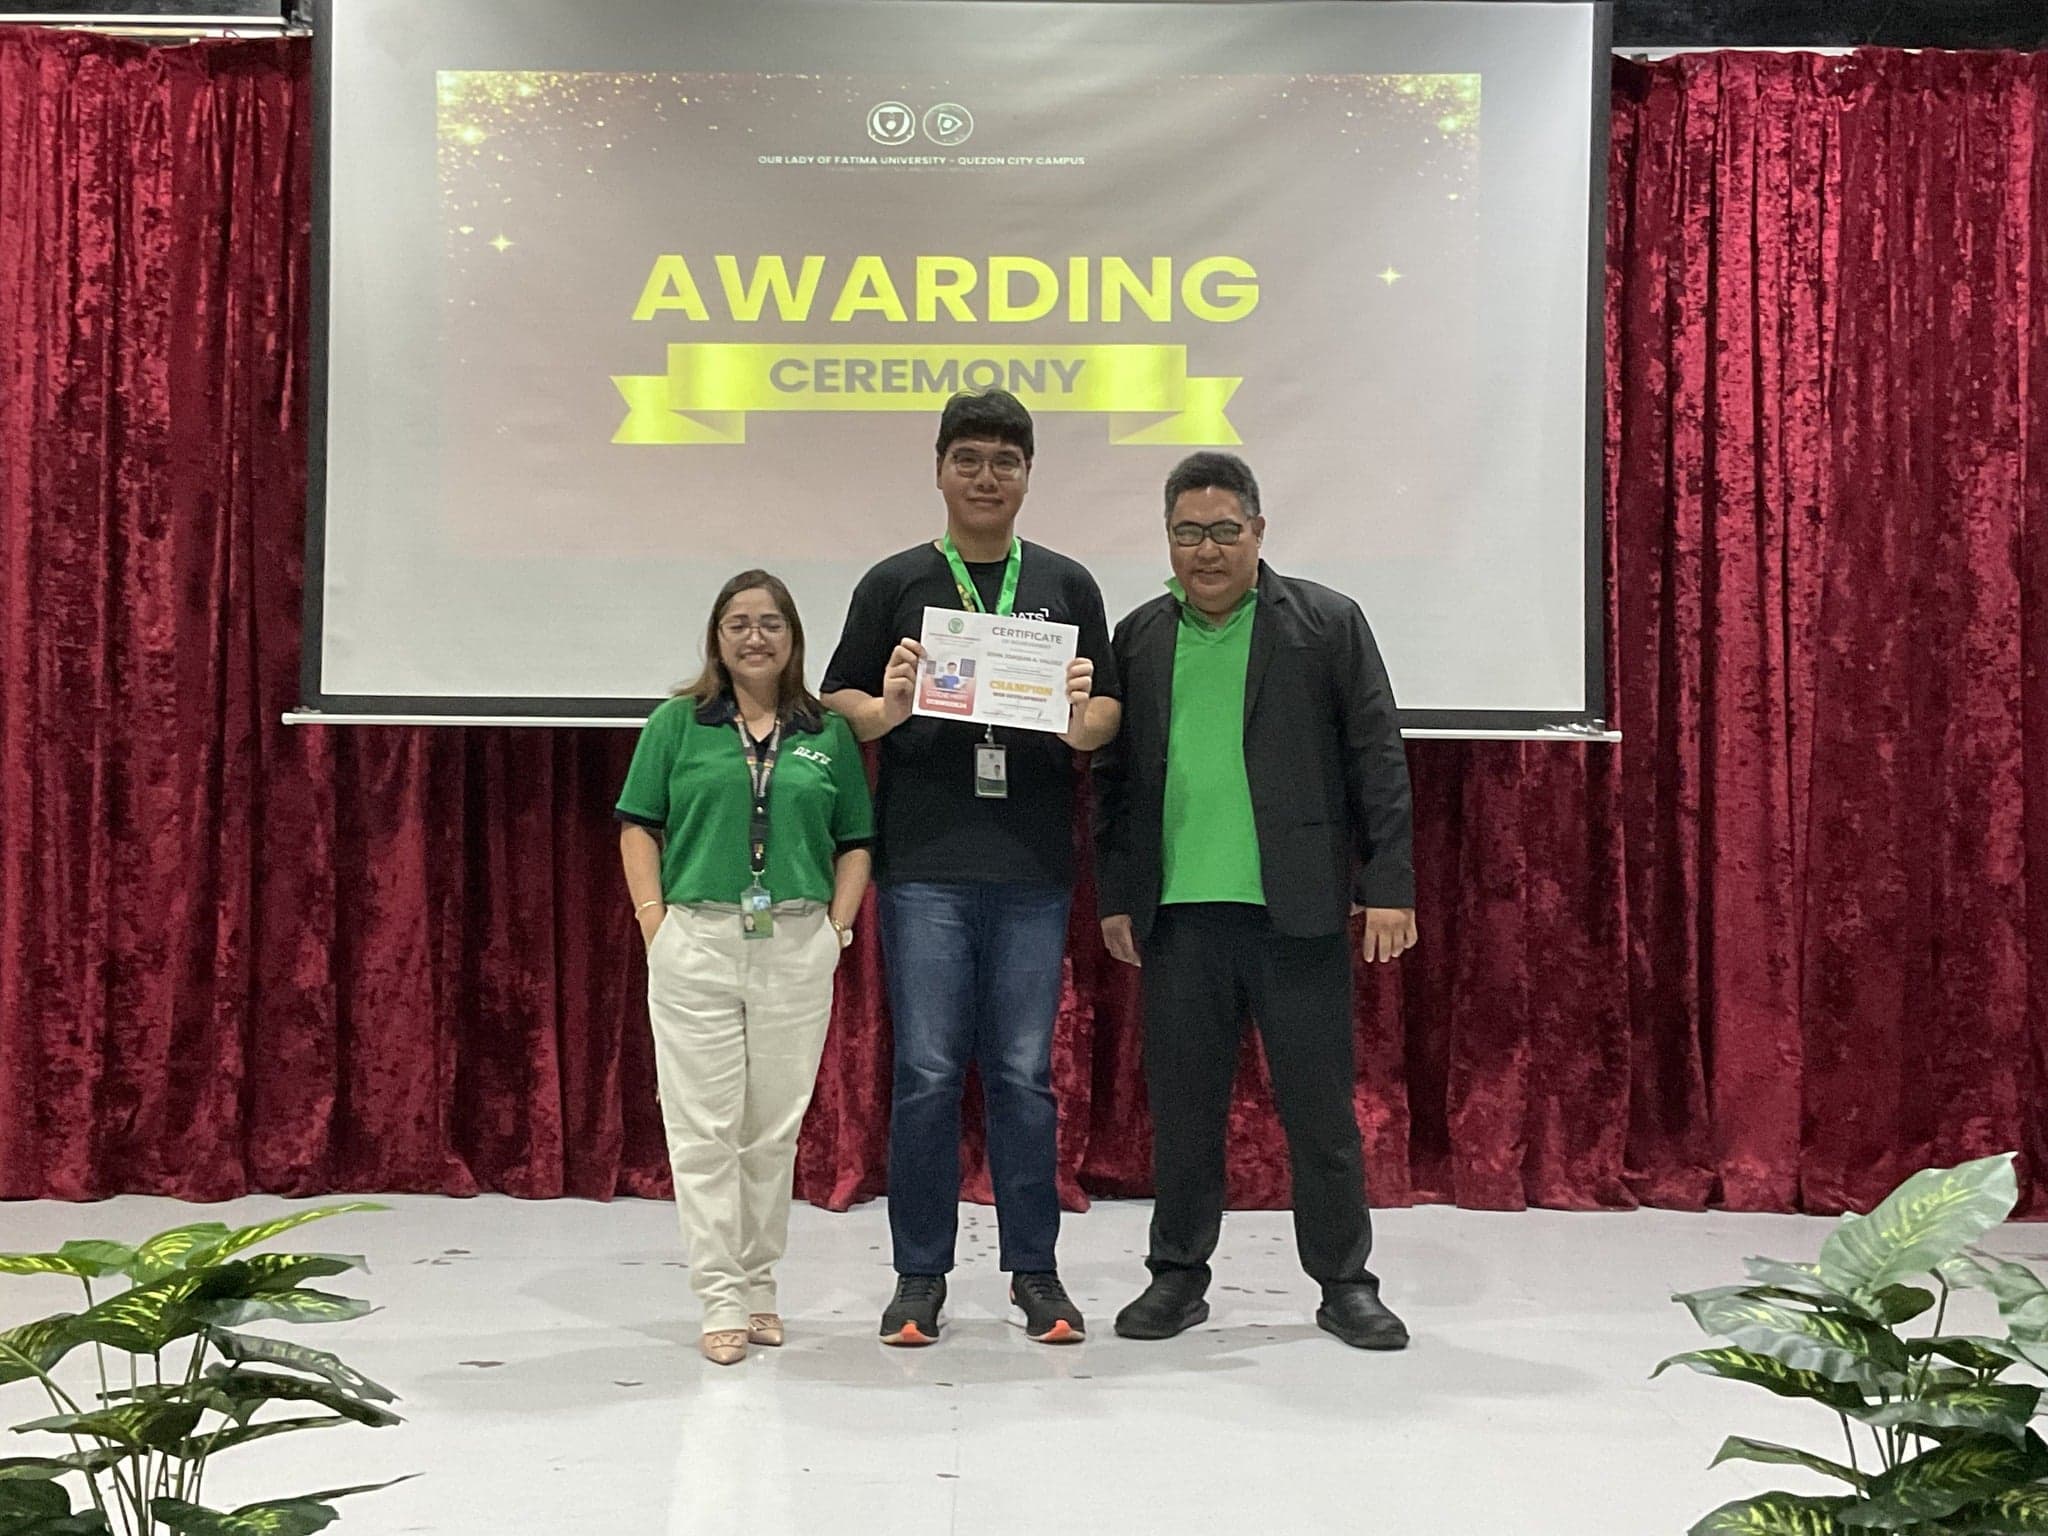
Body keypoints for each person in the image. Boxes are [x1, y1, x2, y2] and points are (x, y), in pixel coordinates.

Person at [1093, 451, 1417, 1351]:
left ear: (1259, 533)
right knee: (1185, 1113)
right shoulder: (1141, 637)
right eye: (1188, 533)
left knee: (1319, 1113)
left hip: (1297, 911)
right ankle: (1178, 1277)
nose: (1206, 550)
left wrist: (1387, 884)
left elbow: (1378, 759)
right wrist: (1119, 895)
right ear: (1167, 541)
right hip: (1178, 917)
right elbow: (1113, 783)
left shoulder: (1326, 624)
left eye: (1224, 531)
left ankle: (1346, 1284)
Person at [823, 389, 1121, 1346]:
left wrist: (1083, 717)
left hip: (1033, 864)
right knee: (924, 1073)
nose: (986, 477)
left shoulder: (1067, 585)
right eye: (969, 459)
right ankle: (920, 1277)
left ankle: (1035, 1271)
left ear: (1029, 475)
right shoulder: (897, 580)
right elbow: (837, 700)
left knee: (1026, 1074)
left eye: (1005, 461)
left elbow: (1107, 714)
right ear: (940, 470)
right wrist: (893, 707)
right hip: (925, 867)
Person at [617, 570, 874, 1365]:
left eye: (770, 623)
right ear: (716, 637)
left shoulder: (824, 731)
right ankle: (719, 1295)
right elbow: (638, 826)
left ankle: (760, 1284)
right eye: (738, 623)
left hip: (796, 943)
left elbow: (856, 840)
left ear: (794, 638)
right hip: (695, 940)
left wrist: (836, 929)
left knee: (771, 1131)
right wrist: (655, 923)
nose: (754, 636)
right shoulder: (675, 724)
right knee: (703, 1132)